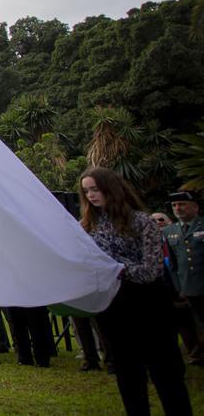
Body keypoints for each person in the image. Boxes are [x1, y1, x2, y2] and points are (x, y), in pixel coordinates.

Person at [80, 166, 191, 416]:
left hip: (149, 303)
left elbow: (151, 270)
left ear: (111, 188)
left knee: (166, 372)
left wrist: (116, 268)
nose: (91, 195)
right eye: (86, 191)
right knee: (128, 373)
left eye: (95, 189)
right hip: (113, 306)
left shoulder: (142, 221)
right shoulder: (87, 227)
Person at [164, 188, 204, 364]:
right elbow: (173, 264)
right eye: (174, 205)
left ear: (195, 207)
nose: (178, 208)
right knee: (196, 322)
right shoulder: (170, 231)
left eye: (182, 204)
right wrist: (179, 287)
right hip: (188, 286)